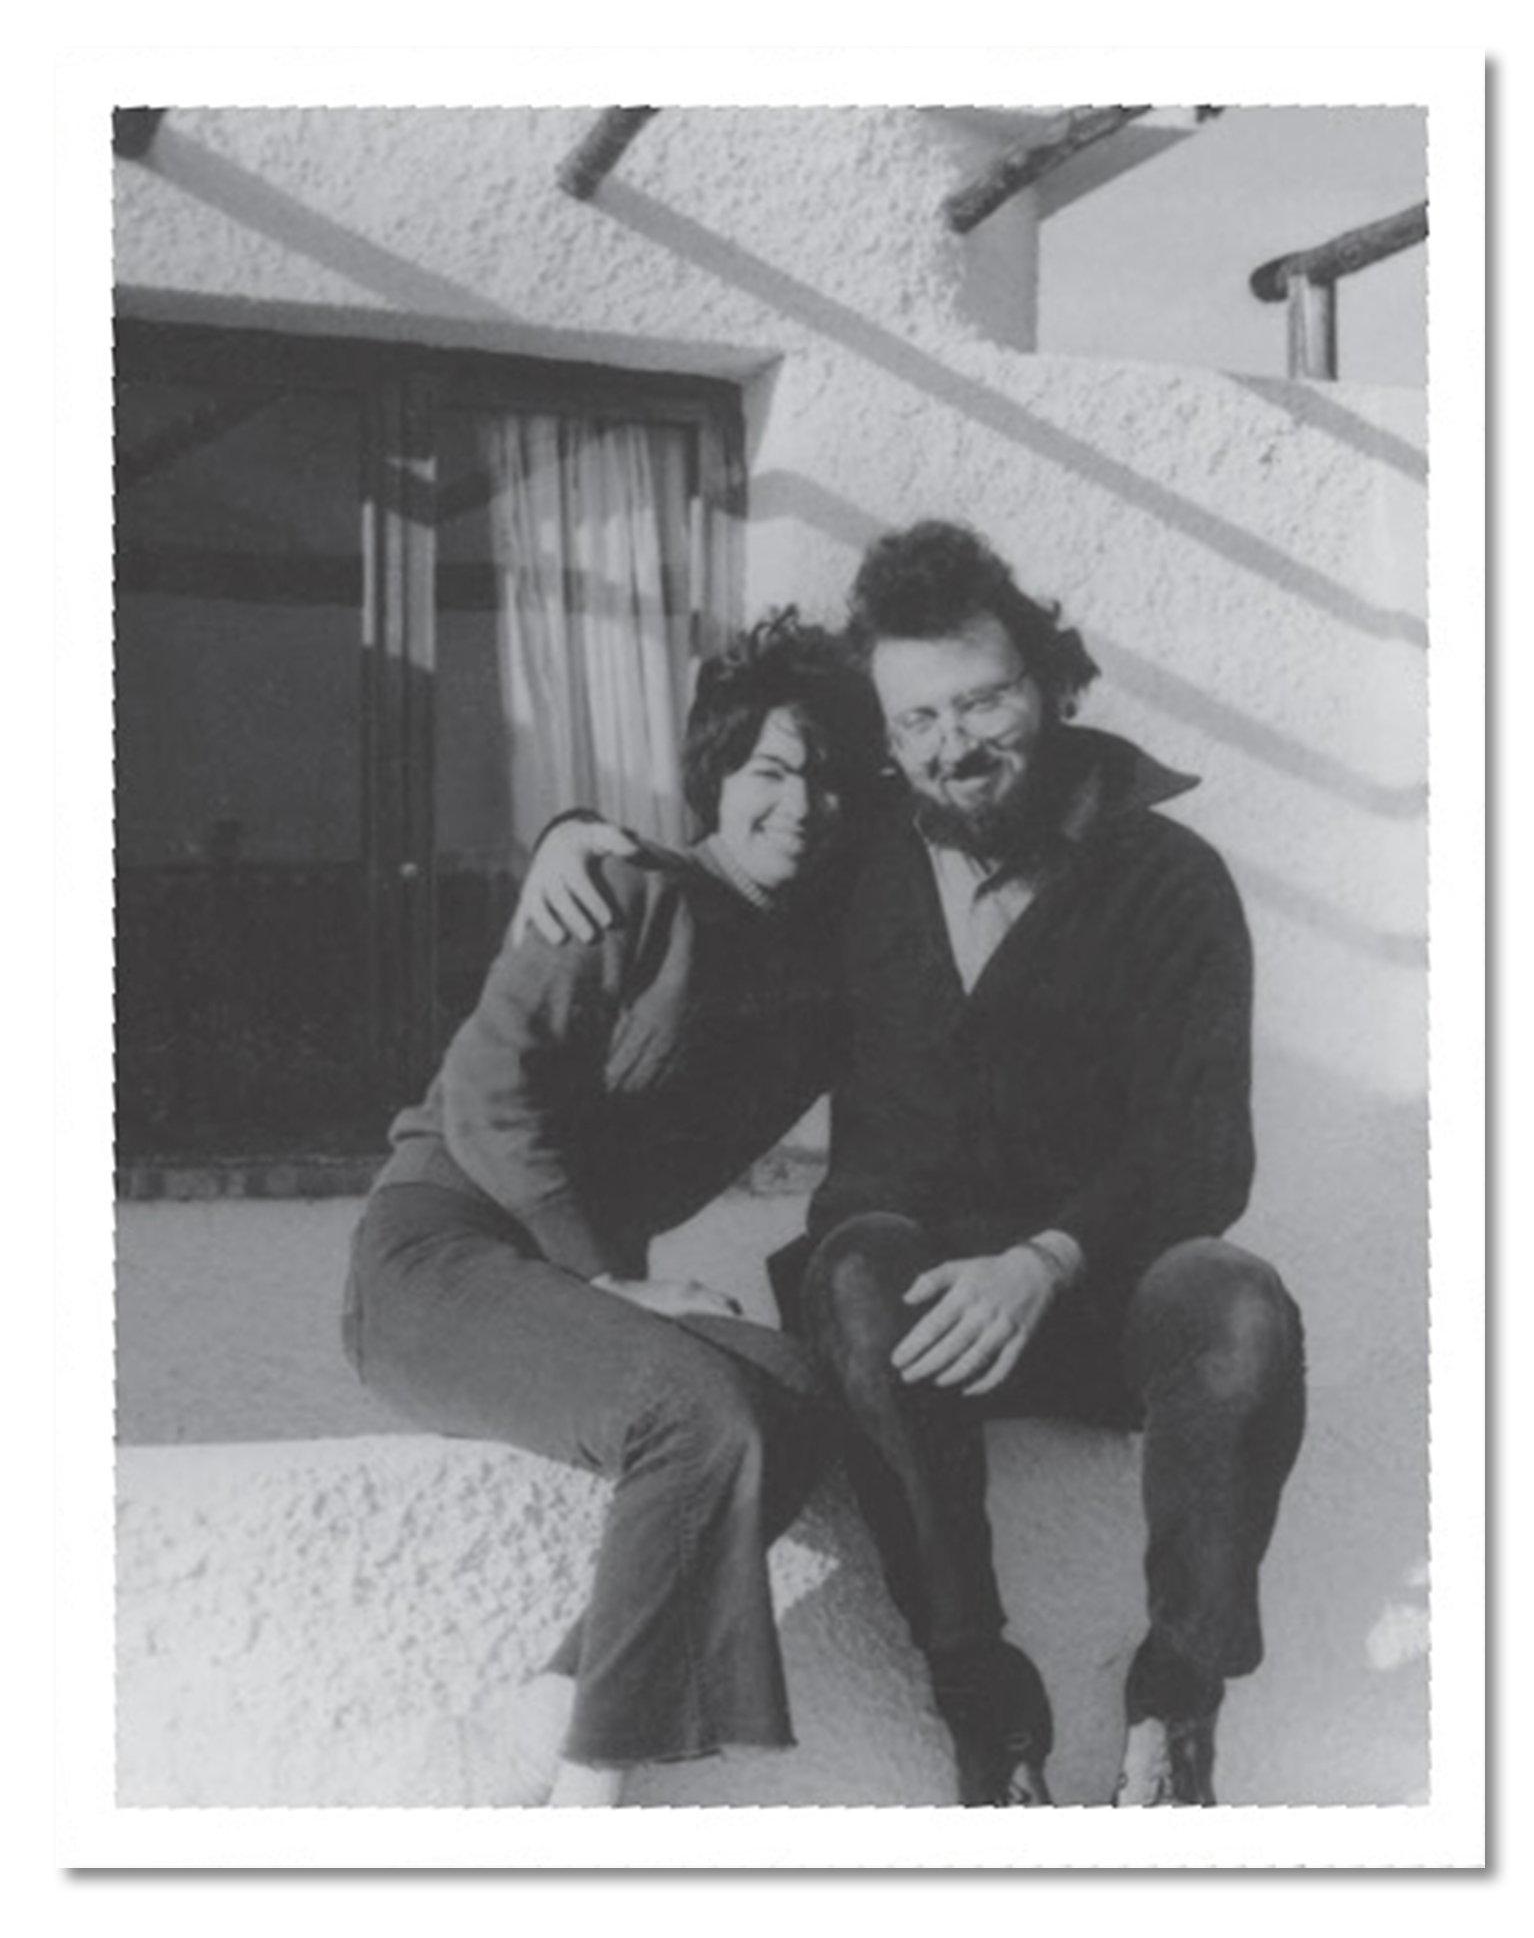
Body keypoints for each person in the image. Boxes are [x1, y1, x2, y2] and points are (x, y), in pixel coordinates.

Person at [516, 522, 1308, 1809]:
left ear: (1049, 684)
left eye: (983, 698)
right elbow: (731, 860)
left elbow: (1203, 1147)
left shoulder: (1168, 877)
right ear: (886, 731)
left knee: (1232, 1300)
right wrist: (577, 836)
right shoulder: (858, 854)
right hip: (899, 1321)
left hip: (1096, 1295)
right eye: (918, 716)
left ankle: (1177, 1700)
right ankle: (984, 1714)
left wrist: (1043, 1261)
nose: (953, 742)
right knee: (856, 1267)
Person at [341, 610, 885, 1807]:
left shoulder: (814, 965)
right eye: (771, 770)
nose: (800, 803)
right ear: (718, 775)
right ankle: (595, 1793)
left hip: (567, 1289)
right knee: (696, 1408)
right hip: (434, 1258)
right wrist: (606, 1280)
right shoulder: (621, 888)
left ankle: (546, 1710)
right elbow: (488, 1094)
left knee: (790, 1394)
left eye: (830, 778)